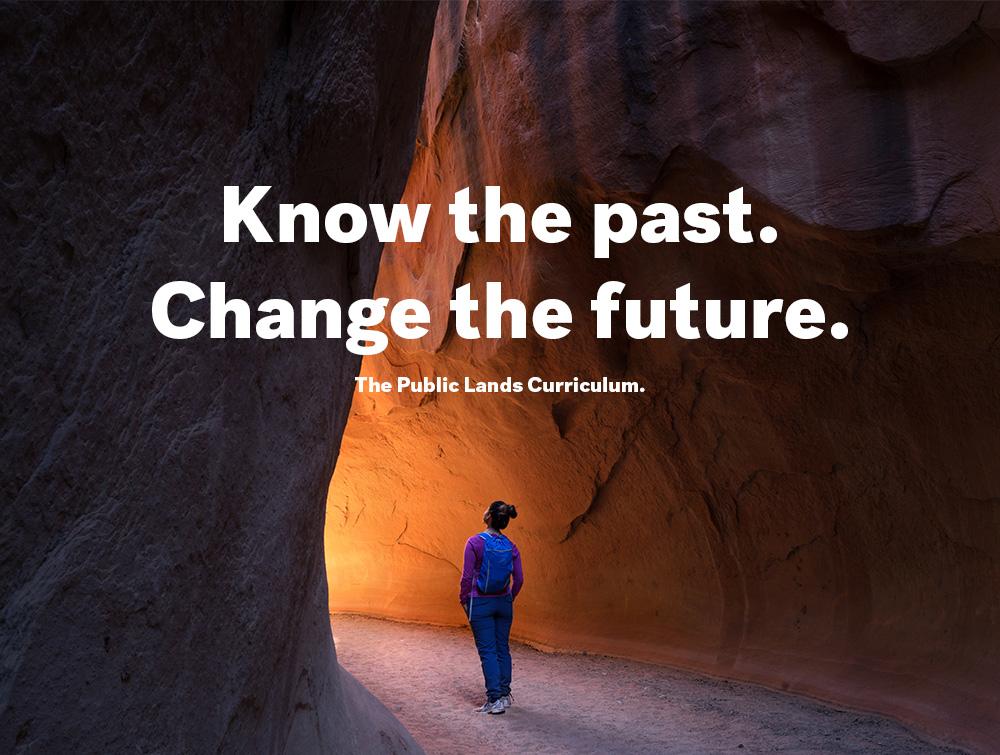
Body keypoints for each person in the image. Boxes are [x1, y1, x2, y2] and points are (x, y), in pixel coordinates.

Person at [459, 500, 523, 714]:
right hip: (503, 602)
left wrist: (464, 600)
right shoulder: (511, 546)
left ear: (489, 517)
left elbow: (467, 576)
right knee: (502, 648)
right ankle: (504, 695)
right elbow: (519, 579)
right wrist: (509, 598)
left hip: (481, 602)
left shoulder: (474, 542)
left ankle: (494, 700)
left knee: (487, 651)